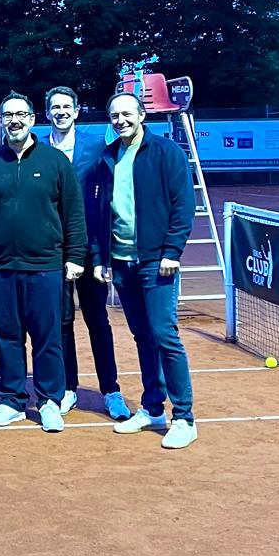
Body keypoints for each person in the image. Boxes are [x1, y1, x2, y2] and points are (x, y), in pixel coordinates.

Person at [0, 91, 86, 431]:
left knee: (48, 337)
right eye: (8, 115)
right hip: (2, 268)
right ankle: (13, 400)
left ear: (32, 119)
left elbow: (73, 213)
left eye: (20, 114)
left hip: (46, 266)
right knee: (8, 336)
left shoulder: (55, 161)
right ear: (1, 120)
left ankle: (49, 401)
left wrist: (75, 256)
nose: (14, 120)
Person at [90, 92, 198, 450]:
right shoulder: (108, 156)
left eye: (127, 114)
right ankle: (153, 408)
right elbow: (102, 212)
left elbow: (184, 204)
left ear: (141, 116)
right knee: (142, 336)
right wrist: (102, 258)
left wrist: (172, 251)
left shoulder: (167, 152)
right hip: (121, 263)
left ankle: (184, 418)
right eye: (114, 115)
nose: (121, 120)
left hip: (157, 262)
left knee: (164, 335)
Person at [43, 86, 131, 423]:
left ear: (77, 111)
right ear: (47, 113)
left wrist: (102, 252)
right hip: (54, 251)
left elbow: (109, 196)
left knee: (97, 319)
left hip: (91, 249)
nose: (61, 112)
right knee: (62, 321)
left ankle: (111, 390)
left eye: (67, 107)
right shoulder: (40, 149)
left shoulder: (97, 147)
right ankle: (68, 388)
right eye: (55, 107)